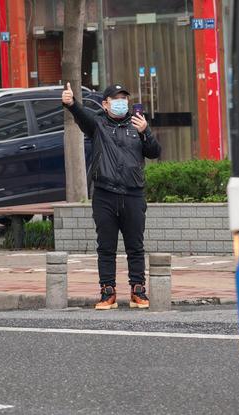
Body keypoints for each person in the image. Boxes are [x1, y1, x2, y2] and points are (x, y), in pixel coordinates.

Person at [62, 82, 161, 310]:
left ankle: (138, 290)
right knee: (106, 247)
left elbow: (155, 152)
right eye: (116, 99)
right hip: (105, 194)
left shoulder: (137, 124)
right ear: (105, 104)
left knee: (135, 246)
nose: (121, 103)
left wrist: (146, 131)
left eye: (124, 99)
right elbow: (82, 116)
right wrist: (71, 104)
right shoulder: (98, 124)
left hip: (133, 194)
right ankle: (108, 292)